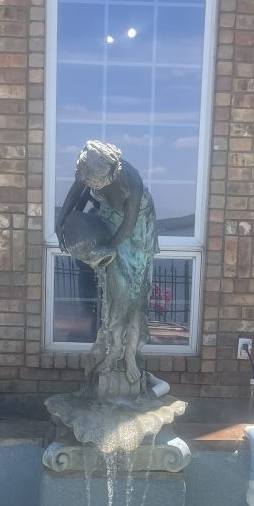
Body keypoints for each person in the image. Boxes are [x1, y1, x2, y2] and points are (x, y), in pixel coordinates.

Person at [56, 140, 158, 394]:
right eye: (88, 182)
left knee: (132, 292)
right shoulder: (91, 168)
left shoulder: (129, 180)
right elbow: (75, 194)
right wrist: (62, 222)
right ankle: (111, 349)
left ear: (111, 173)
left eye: (95, 184)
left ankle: (129, 354)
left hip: (136, 229)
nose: (90, 186)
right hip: (110, 220)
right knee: (114, 292)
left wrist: (108, 250)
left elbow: (128, 225)